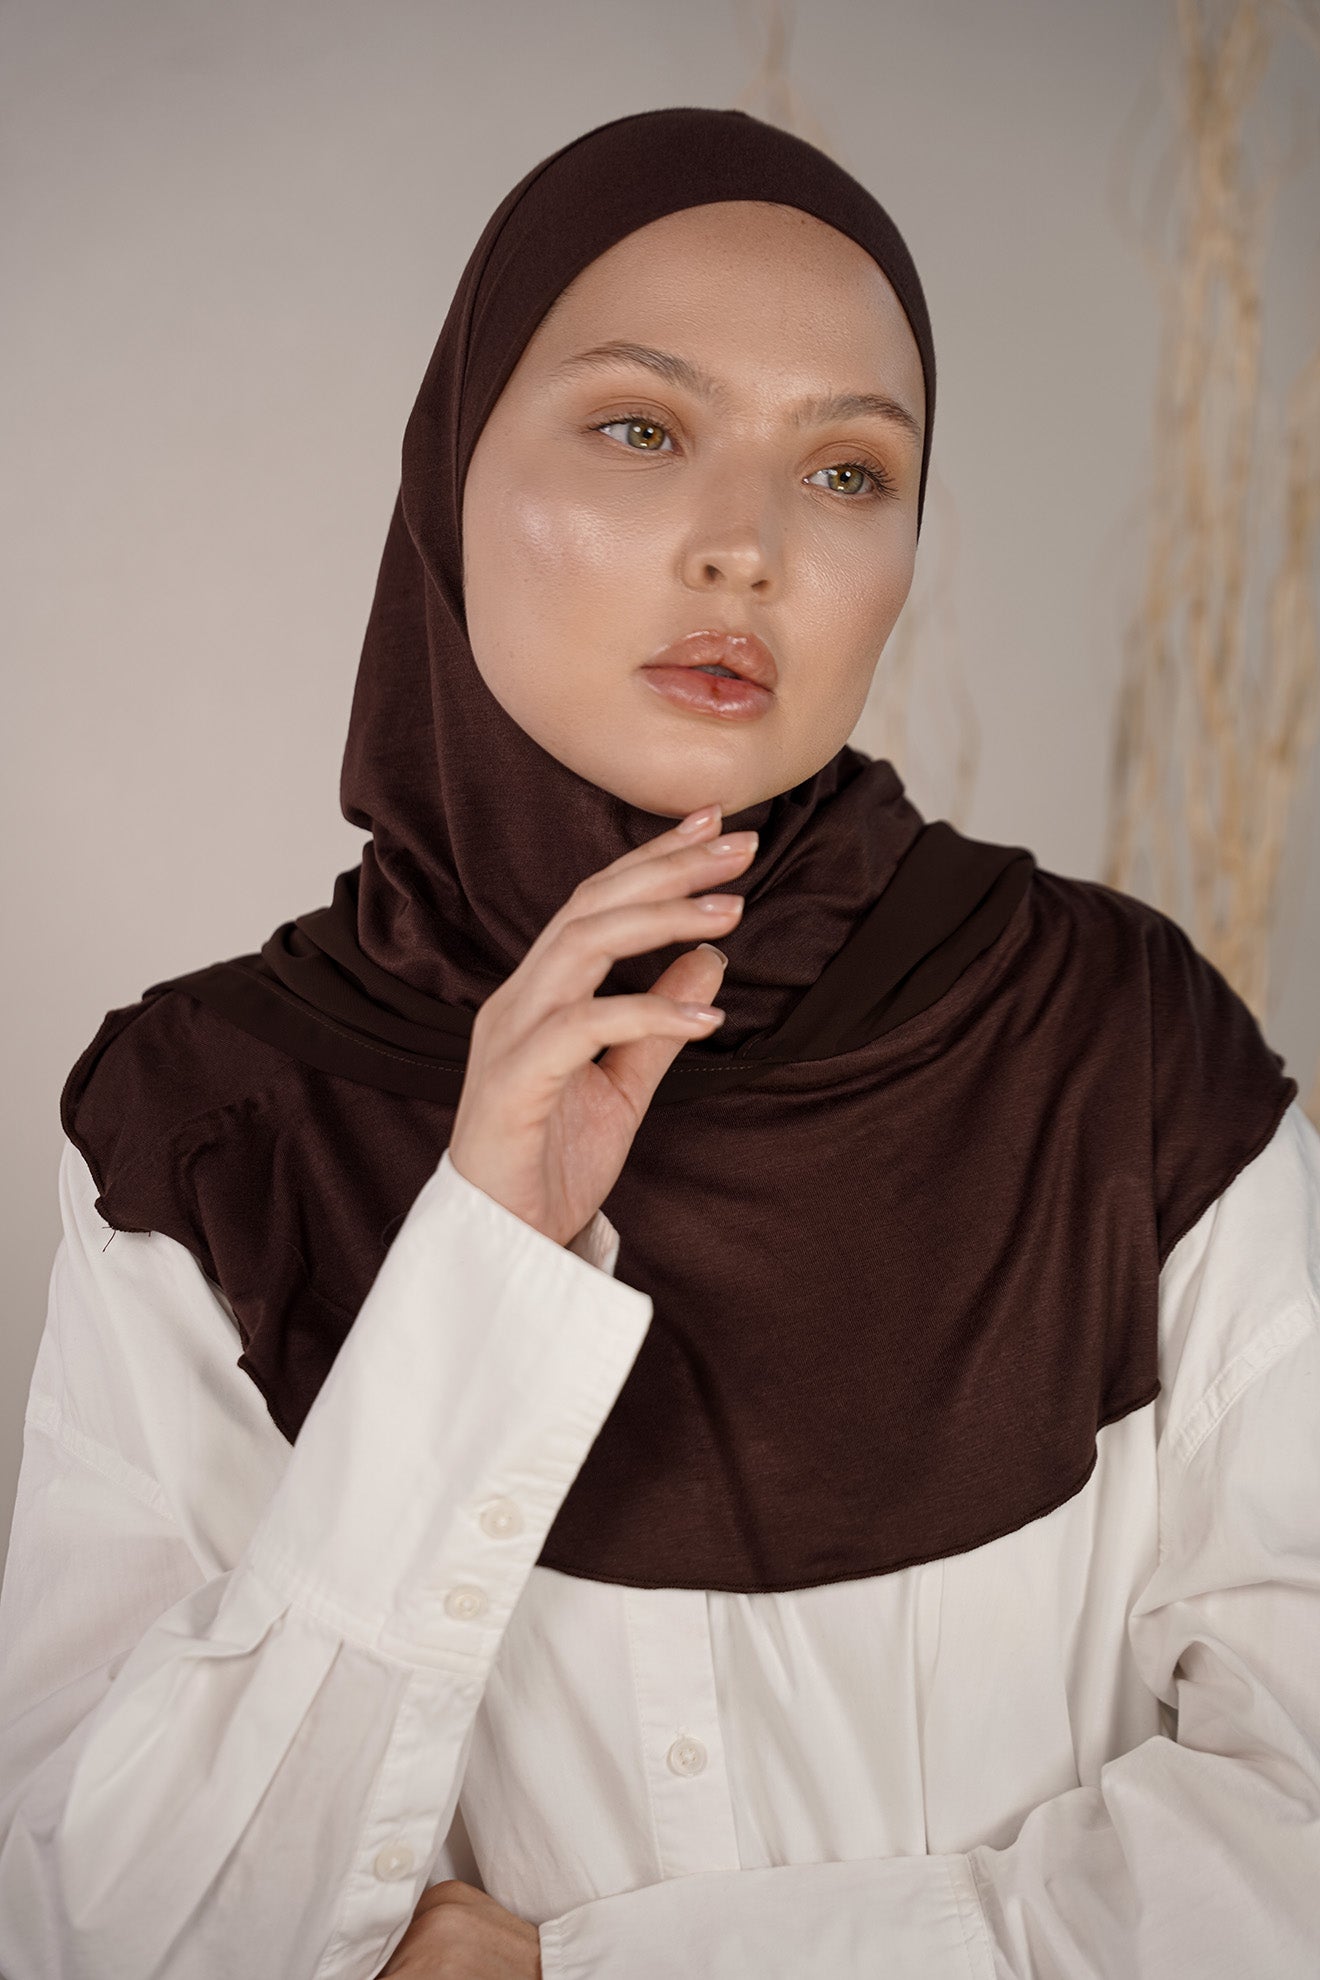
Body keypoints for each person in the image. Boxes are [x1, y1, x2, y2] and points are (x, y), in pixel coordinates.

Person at [1, 104, 1318, 1980]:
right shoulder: (207, 1131)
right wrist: (475, 1268)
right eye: (641, 429)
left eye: (848, 471)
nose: (746, 551)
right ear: (452, 470)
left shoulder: (1123, 1056)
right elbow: (107, 1935)